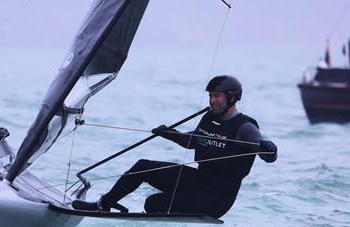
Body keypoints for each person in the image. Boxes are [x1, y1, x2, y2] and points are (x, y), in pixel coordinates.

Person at [71, 75, 278, 218]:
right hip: (199, 179)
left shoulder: (245, 127)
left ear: (231, 97)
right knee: (143, 166)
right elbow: (193, 141)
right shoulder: (209, 117)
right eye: (210, 96)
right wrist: (170, 134)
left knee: (152, 204)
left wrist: (270, 149)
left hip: (217, 197)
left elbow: (266, 153)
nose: (211, 100)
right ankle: (103, 205)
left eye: (217, 96)